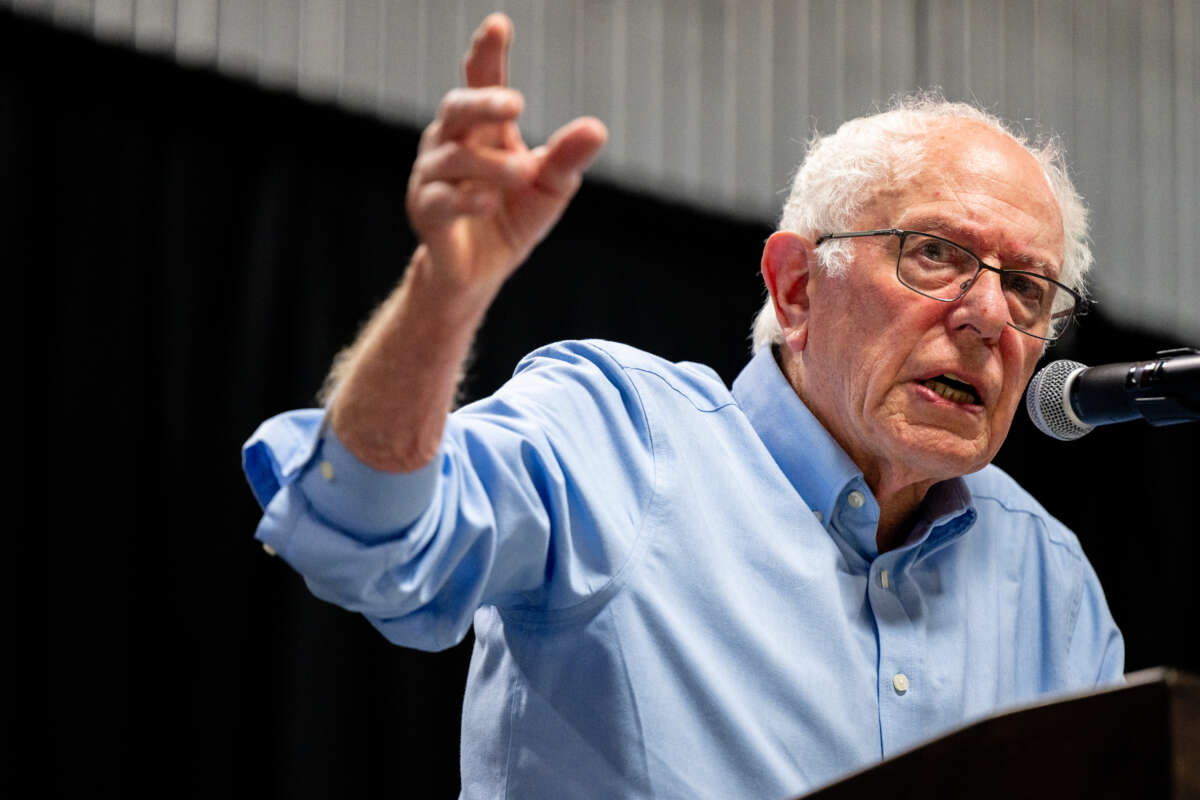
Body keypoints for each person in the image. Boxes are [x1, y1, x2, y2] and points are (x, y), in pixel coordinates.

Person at [242, 13, 1123, 799]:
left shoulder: (1051, 585)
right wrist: (444, 291)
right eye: (935, 253)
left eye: (1029, 289)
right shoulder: (613, 438)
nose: (987, 316)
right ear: (796, 289)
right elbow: (366, 534)